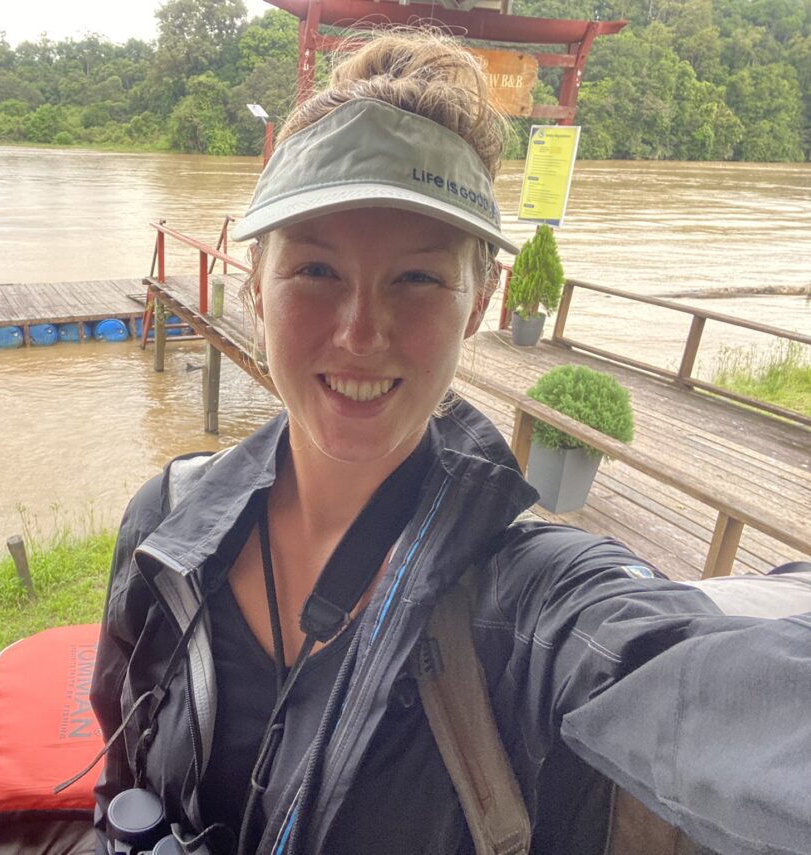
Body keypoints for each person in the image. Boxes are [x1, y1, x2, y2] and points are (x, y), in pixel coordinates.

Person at [89, 29, 810, 855]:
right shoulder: (165, 526)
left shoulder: (525, 607)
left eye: (419, 278)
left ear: (478, 301)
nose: (362, 333)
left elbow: (678, 669)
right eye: (316, 271)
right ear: (256, 284)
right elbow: (122, 772)